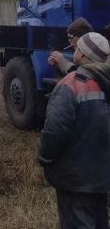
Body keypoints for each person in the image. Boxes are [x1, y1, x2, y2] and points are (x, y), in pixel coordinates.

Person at [38, 31, 110, 229]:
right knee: (100, 220)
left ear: (84, 56)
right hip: (103, 177)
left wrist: (44, 158)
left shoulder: (71, 86)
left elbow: (54, 132)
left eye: (78, 48)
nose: (75, 50)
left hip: (76, 180)